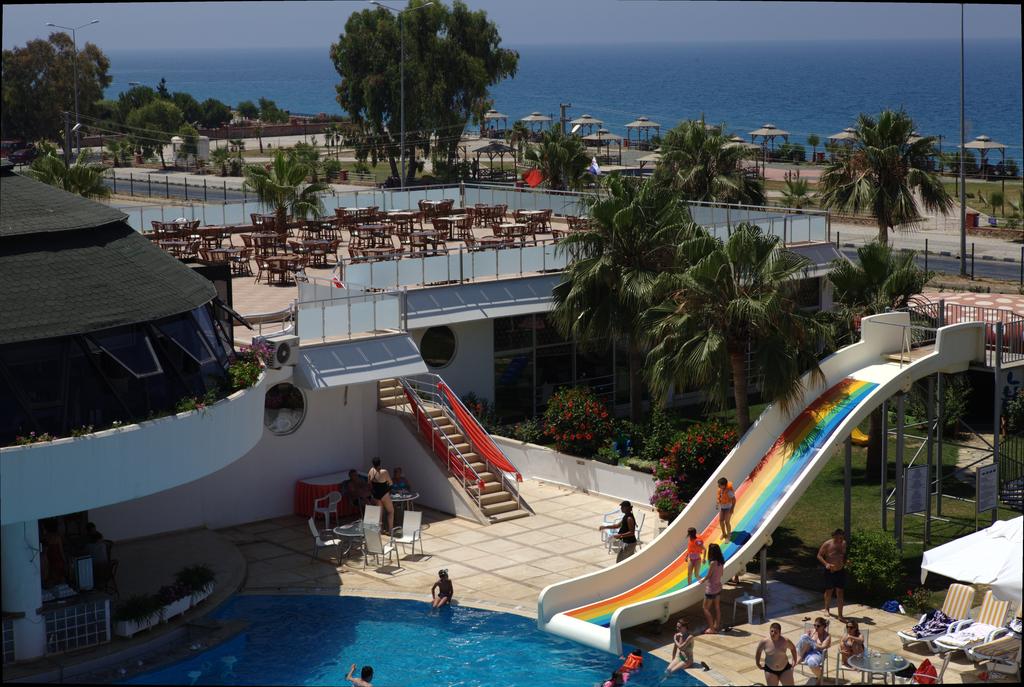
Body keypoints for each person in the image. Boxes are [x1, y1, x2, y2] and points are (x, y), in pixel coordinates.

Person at [817, 528, 847, 619]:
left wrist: (846, 562)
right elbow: (819, 555)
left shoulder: (844, 543)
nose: (840, 540)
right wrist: (826, 564)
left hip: (840, 570)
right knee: (829, 591)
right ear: (834, 536)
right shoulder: (827, 544)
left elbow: (843, 556)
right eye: (838, 538)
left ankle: (840, 615)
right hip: (830, 571)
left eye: (842, 538)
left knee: (840, 592)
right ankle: (826, 608)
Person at [796, 617, 831, 685]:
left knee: (812, 663)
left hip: (817, 653)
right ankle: (800, 657)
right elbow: (802, 642)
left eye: (818, 626)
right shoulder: (811, 631)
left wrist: (812, 642)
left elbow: (823, 647)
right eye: (814, 625)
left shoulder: (827, 636)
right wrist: (809, 638)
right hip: (805, 651)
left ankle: (819, 677)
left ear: (823, 626)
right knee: (803, 637)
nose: (816, 627)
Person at [701, 543, 725, 634]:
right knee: (717, 607)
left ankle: (711, 629)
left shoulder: (713, 563)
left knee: (705, 608)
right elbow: (721, 574)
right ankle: (716, 626)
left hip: (711, 589)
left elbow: (708, 575)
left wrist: (702, 580)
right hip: (718, 586)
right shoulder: (721, 562)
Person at [367, 458, 395, 534]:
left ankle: (380, 530)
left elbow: (369, 483)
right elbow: (390, 483)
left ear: (373, 463)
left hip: (376, 495)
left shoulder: (371, 471)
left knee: (379, 513)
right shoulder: (384, 472)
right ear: (380, 463)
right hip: (384, 494)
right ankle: (390, 531)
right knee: (390, 511)